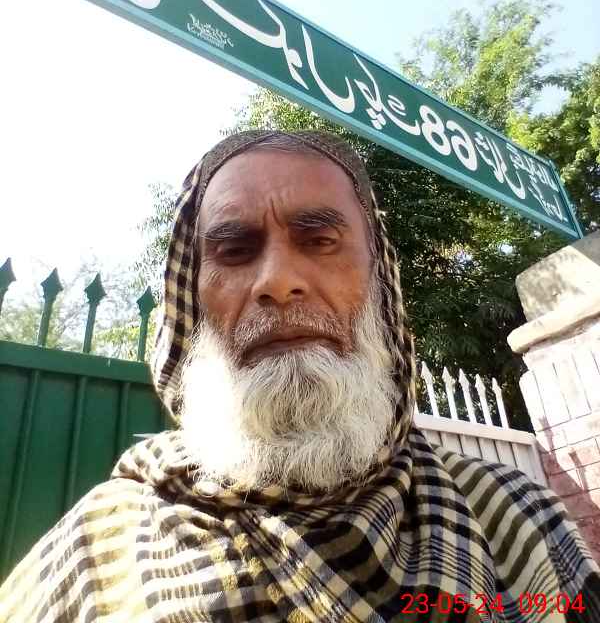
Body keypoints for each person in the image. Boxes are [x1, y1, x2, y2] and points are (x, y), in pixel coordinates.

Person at [1, 129, 598, 622]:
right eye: (235, 251)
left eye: (320, 240)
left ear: (380, 282)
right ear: (192, 300)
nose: (277, 281)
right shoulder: (95, 551)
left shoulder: (513, 516)